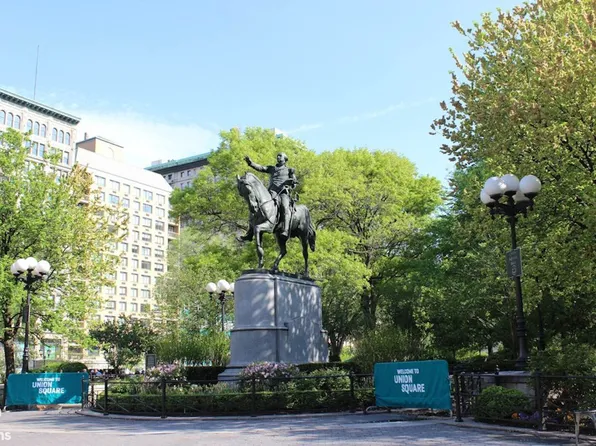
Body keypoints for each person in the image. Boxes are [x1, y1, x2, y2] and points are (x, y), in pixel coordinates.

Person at [242, 153, 297, 238]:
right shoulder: (272, 168)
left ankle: (285, 230)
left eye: (280, 156)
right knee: (256, 205)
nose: (278, 157)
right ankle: (250, 231)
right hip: (271, 192)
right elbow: (261, 168)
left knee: (285, 207)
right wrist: (251, 163)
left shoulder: (289, 170)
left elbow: (294, 184)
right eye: (278, 155)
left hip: (283, 192)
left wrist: (291, 183)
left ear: (285, 159)